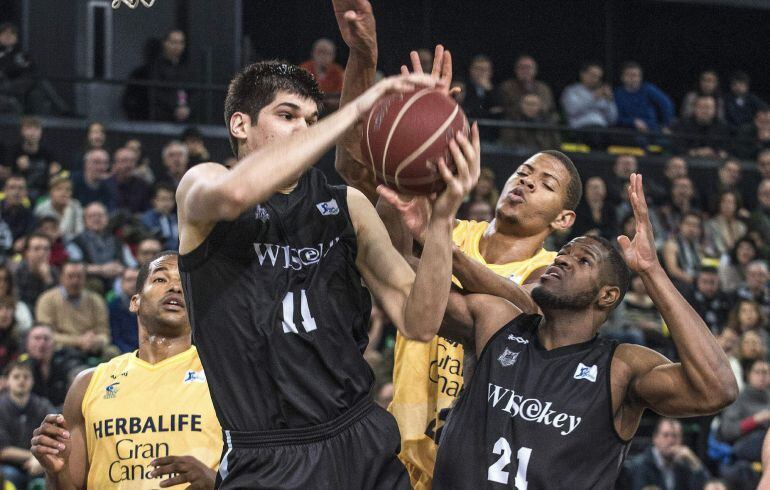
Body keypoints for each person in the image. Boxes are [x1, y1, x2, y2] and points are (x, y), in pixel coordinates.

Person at [175, 5, 479, 486]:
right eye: (287, 115)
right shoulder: (202, 189)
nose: (303, 128)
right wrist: (362, 105)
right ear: (240, 125)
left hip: (360, 435)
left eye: (312, 118)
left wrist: (441, 218)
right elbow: (237, 193)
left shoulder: (347, 207)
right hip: (270, 456)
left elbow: (419, 322)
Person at [335, 18, 576, 486]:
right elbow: (387, 256)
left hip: (477, 462)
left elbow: (527, 313)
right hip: (400, 451)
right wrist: (407, 157)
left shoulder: (551, 269)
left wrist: (437, 234)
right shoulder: (450, 227)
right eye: (524, 171)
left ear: (562, 220)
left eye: (546, 184)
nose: (526, 181)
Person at [431, 174, 737, 488]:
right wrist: (419, 224)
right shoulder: (499, 322)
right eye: (563, 254)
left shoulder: (621, 367)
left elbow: (717, 388)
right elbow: (408, 287)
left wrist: (651, 271)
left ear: (607, 295)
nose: (562, 260)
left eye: (583, 260)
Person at [30, 252, 223, 488]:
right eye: (161, 279)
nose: (175, 288)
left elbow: (268, 472)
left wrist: (217, 483)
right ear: (135, 302)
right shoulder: (88, 384)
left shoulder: (224, 379)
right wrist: (54, 473)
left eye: (184, 282)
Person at [34, 261, 111, 358]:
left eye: (79, 277)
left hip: (92, 347)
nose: (75, 281)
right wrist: (78, 341)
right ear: (61, 278)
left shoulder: (96, 300)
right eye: (70, 276)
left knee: (113, 353)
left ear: (85, 279)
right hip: (62, 350)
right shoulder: (47, 300)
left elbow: (104, 333)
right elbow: (46, 334)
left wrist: (96, 341)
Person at [0, 361, 52, 489]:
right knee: (10, 475)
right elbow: (3, 451)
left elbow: (55, 438)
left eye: (26, 377)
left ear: (32, 381)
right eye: (16, 376)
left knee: (53, 473)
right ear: (6, 381)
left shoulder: (43, 406)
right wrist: (35, 456)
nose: (21, 380)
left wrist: (41, 460)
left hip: (40, 463)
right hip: (9, 466)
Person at [627, 418, 710, 490]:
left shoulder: (683, 465)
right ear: (655, 438)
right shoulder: (640, 466)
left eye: (675, 436)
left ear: (681, 440)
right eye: (666, 435)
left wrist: (694, 461)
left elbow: (706, 486)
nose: (671, 441)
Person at [719, 359, 770, 463]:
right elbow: (727, 431)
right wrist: (755, 420)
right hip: (743, 449)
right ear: (748, 375)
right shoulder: (738, 399)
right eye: (757, 372)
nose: (762, 376)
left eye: (765, 372)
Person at [560, 61, 617, 144]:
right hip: (582, 129)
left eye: (598, 77)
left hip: (603, 129)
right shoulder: (572, 91)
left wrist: (610, 101)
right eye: (593, 75)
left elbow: (613, 119)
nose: (595, 79)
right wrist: (593, 97)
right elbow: (572, 110)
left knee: (619, 137)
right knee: (595, 137)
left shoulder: (603, 93)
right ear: (583, 74)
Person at [614, 61, 674, 136]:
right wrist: (633, 122)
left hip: (651, 129)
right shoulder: (618, 93)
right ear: (622, 77)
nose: (632, 78)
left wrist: (666, 125)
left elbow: (666, 104)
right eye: (628, 75)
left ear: (640, 77)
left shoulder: (648, 89)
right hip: (628, 131)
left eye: (635, 75)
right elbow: (615, 118)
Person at [497, 55, 556, 120]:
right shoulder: (506, 87)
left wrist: (539, 110)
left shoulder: (544, 88)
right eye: (522, 67)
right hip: (515, 125)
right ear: (516, 70)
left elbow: (551, 110)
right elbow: (503, 109)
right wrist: (523, 107)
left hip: (541, 125)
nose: (525, 71)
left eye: (528, 67)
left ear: (535, 70)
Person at [300, 38, 344, 110]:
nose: (323, 56)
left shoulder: (338, 72)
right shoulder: (304, 68)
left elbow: (341, 96)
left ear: (333, 56)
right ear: (313, 53)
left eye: (327, 53)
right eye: (320, 52)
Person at [107, 147, 151, 214]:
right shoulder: (106, 185)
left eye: (132, 161)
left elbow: (146, 211)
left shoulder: (143, 185)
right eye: (124, 161)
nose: (128, 165)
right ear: (115, 164)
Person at [140, 183, 179, 250]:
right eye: (163, 199)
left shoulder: (175, 218)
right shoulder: (147, 219)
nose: (167, 203)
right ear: (154, 201)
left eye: (170, 199)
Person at [0, 174, 34, 242]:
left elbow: (30, 235)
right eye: (12, 188)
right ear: (5, 190)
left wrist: (24, 241)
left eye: (21, 188)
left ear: (26, 192)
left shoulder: (29, 215)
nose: (16, 192)